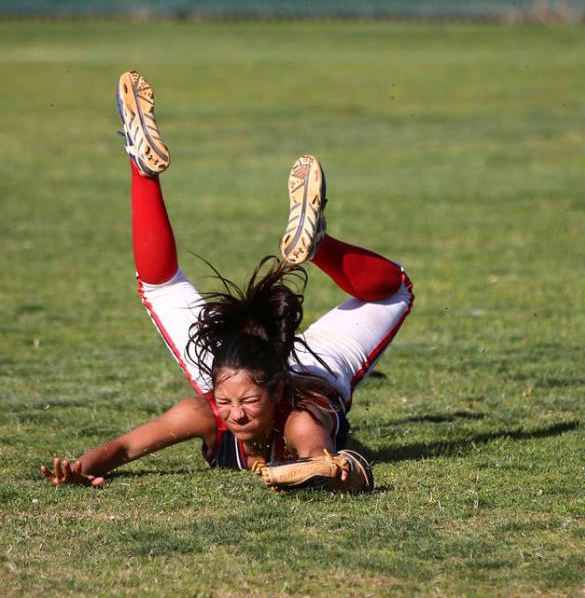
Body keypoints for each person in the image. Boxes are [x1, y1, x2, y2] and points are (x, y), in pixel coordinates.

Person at [39, 71, 414, 491]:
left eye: (250, 403)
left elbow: (315, 455)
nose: (235, 414)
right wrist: (80, 467)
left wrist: (313, 471)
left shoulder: (300, 415)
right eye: (227, 403)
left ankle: (141, 167)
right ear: (213, 390)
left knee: (160, 285)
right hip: (237, 364)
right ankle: (318, 244)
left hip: (315, 367)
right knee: (393, 288)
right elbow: (125, 449)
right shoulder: (210, 407)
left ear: (276, 392)